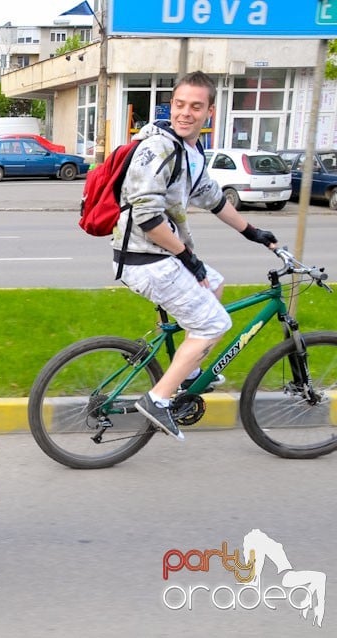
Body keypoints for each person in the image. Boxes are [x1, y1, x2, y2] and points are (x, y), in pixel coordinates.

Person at [113, 70, 277, 441]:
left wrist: (252, 232)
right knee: (215, 324)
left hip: (162, 257)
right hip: (145, 260)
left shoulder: (191, 151)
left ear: (209, 112)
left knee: (214, 285)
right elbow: (147, 216)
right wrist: (188, 256)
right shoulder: (158, 148)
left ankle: (185, 371)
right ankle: (157, 399)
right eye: (180, 104)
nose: (185, 113)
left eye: (195, 107)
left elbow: (213, 197)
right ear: (171, 105)